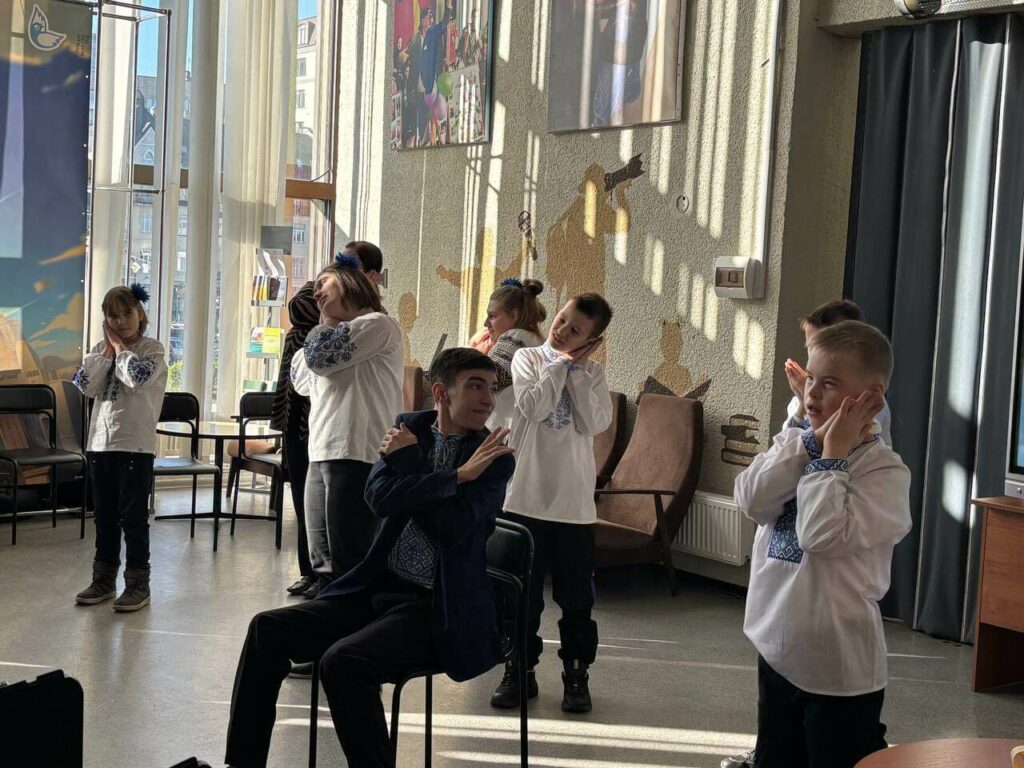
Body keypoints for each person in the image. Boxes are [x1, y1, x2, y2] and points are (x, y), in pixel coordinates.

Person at [220, 348, 515, 768]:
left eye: (491, 388)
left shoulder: (491, 459)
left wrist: (421, 469)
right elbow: (377, 498)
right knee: (266, 628)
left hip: (437, 605)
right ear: (441, 393)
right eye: (475, 386)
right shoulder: (407, 429)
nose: (487, 399)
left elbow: (450, 529)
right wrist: (453, 480)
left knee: (344, 663)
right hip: (377, 588)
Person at [733, 321, 911, 768]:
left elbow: (820, 536)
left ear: (871, 396)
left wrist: (831, 458)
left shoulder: (884, 473)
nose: (811, 392)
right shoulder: (797, 441)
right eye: (810, 378)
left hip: (837, 672)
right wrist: (810, 442)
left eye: (829, 383)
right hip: (777, 649)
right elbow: (750, 498)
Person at [493, 293, 614, 713]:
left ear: (592, 341)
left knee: (577, 599)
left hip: (574, 507)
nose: (561, 331)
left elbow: (594, 422)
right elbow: (534, 405)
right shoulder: (527, 358)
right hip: (525, 499)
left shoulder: (593, 373)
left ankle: (576, 674)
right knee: (520, 597)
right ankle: (519, 669)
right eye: (562, 319)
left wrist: (576, 372)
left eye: (575, 330)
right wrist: (561, 364)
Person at [290, 255, 403, 592]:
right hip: (322, 448)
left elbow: (318, 358)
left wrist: (323, 327)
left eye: (324, 283)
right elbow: (301, 380)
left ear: (350, 283)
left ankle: (350, 614)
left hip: (356, 450)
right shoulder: (329, 335)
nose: (316, 292)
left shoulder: (377, 324)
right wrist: (325, 330)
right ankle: (327, 609)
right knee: (321, 556)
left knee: (348, 552)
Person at [72, 283, 167, 612]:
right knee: (105, 516)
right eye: (113, 316)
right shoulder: (100, 350)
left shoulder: (152, 349)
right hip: (100, 445)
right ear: (105, 319)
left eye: (127, 313)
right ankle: (103, 579)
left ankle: (138, 583)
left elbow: (137, 378)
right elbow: (85, 385)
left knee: (133, 518)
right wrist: (107, 351)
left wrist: (119, 348)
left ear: (140, 313)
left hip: (135, 446)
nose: (121, 321)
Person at [269, 282, 320, 599]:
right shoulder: (297, 335)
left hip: (319, 427)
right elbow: (298, 307)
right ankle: (307, 571)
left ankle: (322, 573)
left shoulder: (333, 334)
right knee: (302, 502)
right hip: (294, 426)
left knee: (319, 505)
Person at [481, 278, 546, 431]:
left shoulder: (515, 337)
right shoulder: (536, 341)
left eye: (492, 316)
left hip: (504, 431)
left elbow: (489, 378)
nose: (486, 323)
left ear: (514, 316)